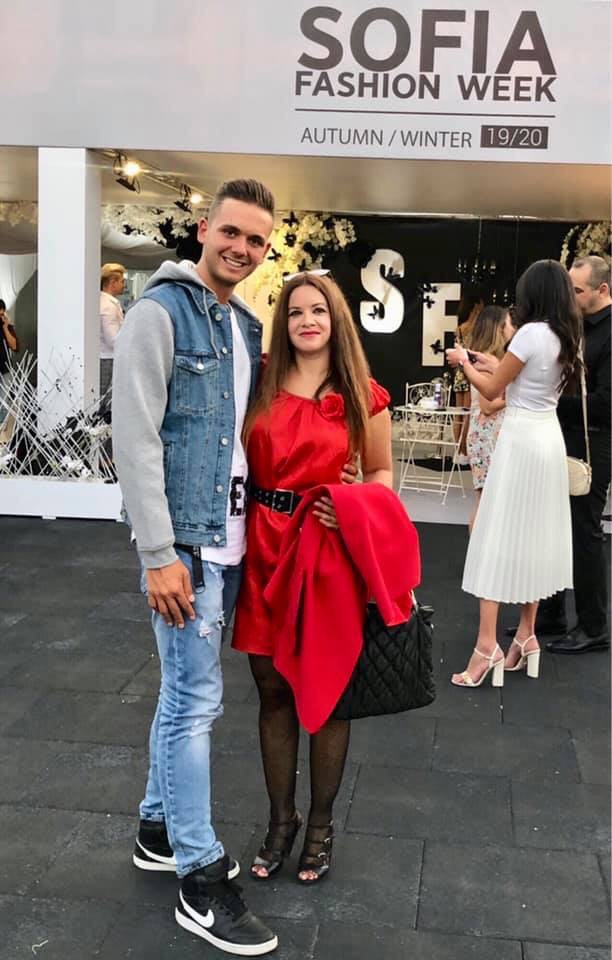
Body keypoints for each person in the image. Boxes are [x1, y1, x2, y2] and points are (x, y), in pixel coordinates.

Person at [112, 179, 280, 956]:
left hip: (232, 539)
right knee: (195, 702)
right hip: (185, 547)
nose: (242, 249)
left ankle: (158, 826)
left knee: (183, 692)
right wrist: (158, 553)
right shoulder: (159, 312)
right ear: (205, 227)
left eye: (256, 240)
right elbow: (135, 437)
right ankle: (198, 876)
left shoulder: (244, 324)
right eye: (232, 232)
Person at [231, 271, 393, 884]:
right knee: (271, 691)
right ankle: (282, 821)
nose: (307, 320)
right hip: (262, 548)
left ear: (336, 320)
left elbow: (382, 475)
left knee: (325, 696)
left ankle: (321, 826)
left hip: (326, 554)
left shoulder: (362, 394)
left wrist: (351, 504)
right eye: (296, 311)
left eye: (318, 310)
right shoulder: (259, 379)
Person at [446, 260, 582, 688]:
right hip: (547, 439)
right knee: (534, 536)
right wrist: (489, 363)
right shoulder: (566, 336)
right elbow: (520, 378)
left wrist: (463, 363)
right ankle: (527, 635)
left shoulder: (529, 333)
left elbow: (491, 390)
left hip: (519, 441)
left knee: (495, 533)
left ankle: (486, 646)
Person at [544, 256, 611, 654]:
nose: (570, 296)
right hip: (565, 436)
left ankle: (594, 626)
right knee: (554, 526)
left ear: (603, 290)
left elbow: (606, 403)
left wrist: (548, 401)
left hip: (595, 443)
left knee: (585, 532)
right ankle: (551, 613)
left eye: (578, 290)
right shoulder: (576, 327)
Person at [465, 305, 514, 529]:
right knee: (486, 502)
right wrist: (515, 397)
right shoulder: (486, 362)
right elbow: (487, 406)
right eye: (509, 324)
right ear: (499, 328)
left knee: (488, 501)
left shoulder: (488, 360)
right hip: (486, 438)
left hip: (490, 436)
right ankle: (478, 548)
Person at [451, 284, 484, 462]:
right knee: (468, 414)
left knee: (458, 414)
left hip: (459, 373)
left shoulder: (460, 328)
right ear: (477, 305)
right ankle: (464, 452)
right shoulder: (477, 329)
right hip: (470, 372)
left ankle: (457, 450)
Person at [100, 262, 126, 398]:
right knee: (106, 400)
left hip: (106, 357)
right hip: (108, 359)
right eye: (122, 281)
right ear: (113, 282)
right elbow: (113, 340)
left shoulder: (102, 301)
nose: (124, 285)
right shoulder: (109, 307)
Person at [0, 298, 19, 422]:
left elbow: (14, 346)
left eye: (2, 314)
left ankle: (1, 427)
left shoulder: (8, 327)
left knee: (3, 402)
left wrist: (6, 328)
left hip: (5, 369)